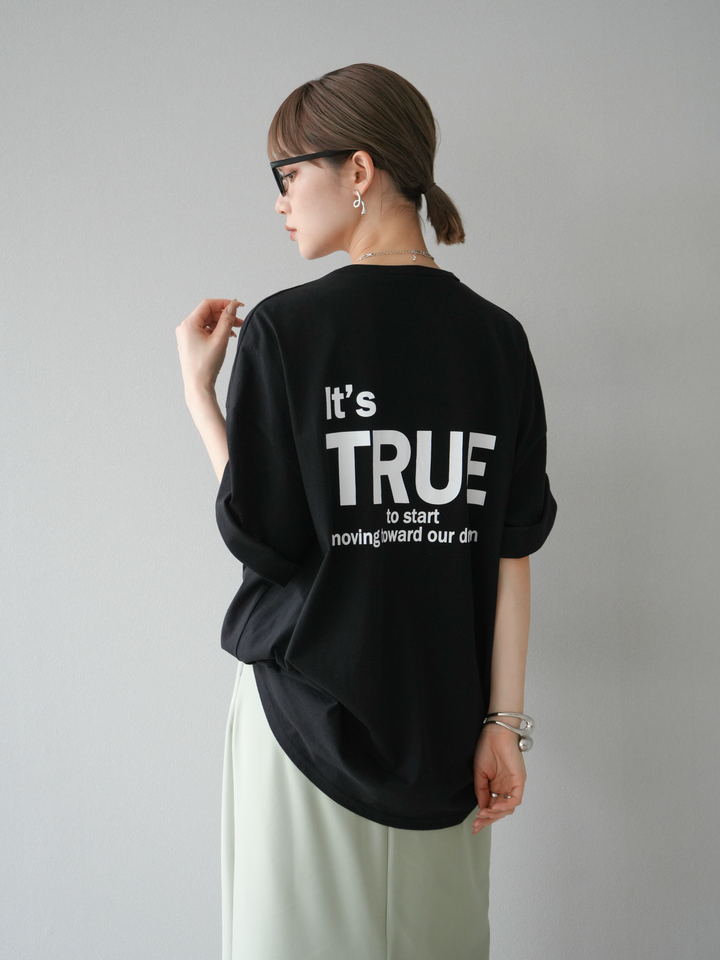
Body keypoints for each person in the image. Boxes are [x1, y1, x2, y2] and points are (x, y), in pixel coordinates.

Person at [175, 63, 557, 960]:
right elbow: (511, 553)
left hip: (301, 721)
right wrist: (503, 725)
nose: (279, 202)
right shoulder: (498, 341)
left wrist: (200, 398)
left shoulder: (288, 331)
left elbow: (265, 538)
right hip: (446, 731)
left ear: (357, 169)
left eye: (287, 175)